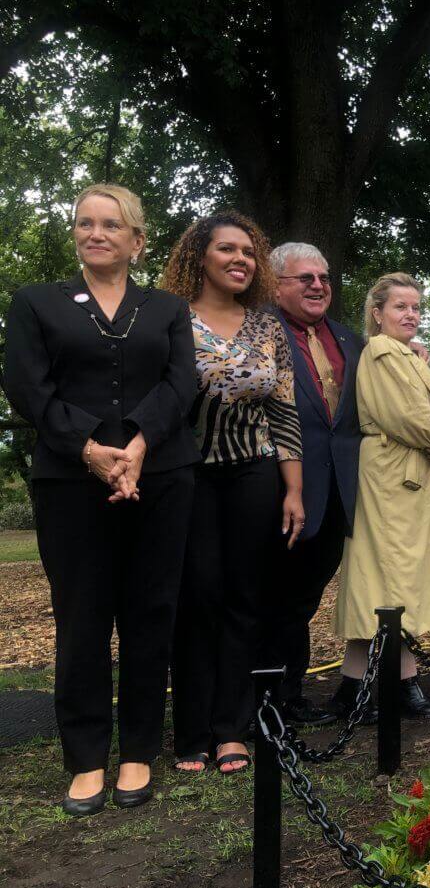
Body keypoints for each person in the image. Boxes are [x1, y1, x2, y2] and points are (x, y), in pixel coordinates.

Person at [3, 184, 198, 814]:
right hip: (69, 483)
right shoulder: (37, 303)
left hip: (161, 477)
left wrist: (138, 447)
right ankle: (85, 758)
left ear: (136, 241)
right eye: (84, 223)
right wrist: (90, 450)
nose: (95, 233)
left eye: (110, 225)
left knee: (150, 612)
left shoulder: (166, 308)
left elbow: (181, 381)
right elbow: (27, 388)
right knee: (82, 618)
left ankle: (138, 750)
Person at [161, 212, 305, 775]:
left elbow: (284, 408)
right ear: (200, 256)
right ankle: (191, 731)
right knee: (198, 597)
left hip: (255, 473)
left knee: (246, 598)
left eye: (249, 251)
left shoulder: (269, 328)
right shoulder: (170, 319)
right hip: (187, 474)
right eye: (228, 249)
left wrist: (293, 489)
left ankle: (231, 729)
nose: (241, 259)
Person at [335, 273, 430, 719]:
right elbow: (412, 417)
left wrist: (419, 359)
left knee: (393, 582)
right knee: (385, 580)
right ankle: (380, 688)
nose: (411, 314)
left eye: (416, 308)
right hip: (391, 474)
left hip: (403, 475)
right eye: (400, 307)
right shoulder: (383, 351)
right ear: (377, 313)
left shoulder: (402, 354)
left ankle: (371, 686)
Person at [267, 243, 363, 726]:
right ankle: (262, 698)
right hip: (281, 491)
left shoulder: (350, 341)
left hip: (339, 496)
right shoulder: (259, 334)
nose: (318, 285)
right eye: (304, 278)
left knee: (303, 599)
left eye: (323, 277)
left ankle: (290, 694)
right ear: (276, 285)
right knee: (271, 596)